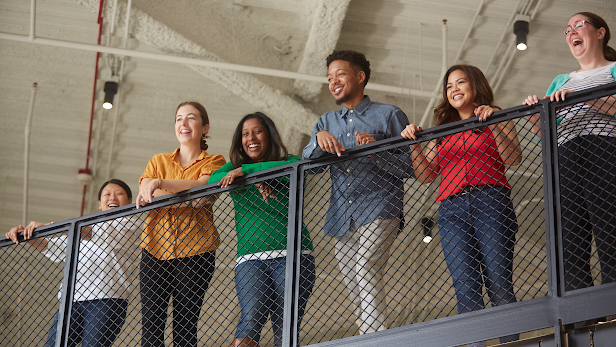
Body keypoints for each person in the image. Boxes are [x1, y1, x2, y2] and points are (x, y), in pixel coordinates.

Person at [402, 65, 522, 347]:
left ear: (475, 85)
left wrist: (492, 123)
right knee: (466, 289)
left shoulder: (497, 115)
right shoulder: (442, 129)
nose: (453, 89)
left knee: (499, 284)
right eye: (448, 86)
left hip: (491, 202)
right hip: (451, 211)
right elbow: (426, 175)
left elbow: (513, 158)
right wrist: (414, 146)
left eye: (460, 82)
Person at [302, 50, 412, 334]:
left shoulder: (389, 114)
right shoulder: (326, 121)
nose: (333, 81)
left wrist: (377, 151)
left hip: (380, 207)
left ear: (360, 77)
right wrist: (318, 139)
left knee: (365, 267)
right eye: (329, 77)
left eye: (340, 74)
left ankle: (373, 340)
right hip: (342, 215)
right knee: (355, 282)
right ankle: (370, 333)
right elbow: (309, 167)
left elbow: (411, 166)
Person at [523, 12, 616, 291]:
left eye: (578, 25)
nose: (571, 32)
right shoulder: (561, 80)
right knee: (570, 242)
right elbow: (548, 138)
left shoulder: (613, 70)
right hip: (566, 159)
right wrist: (535, 116)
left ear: (600, 33)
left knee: (609, 232)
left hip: (604, 152)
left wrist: (585, 99)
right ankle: (583, 321)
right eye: (567, 30)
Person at [209, 112, 315, 347]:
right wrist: (243, 171)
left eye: (257, 131)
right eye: (245, 134)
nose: (251, 138)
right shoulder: (233, 168)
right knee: (250, 319)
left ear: (269, 135)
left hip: (294, 256)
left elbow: (296, 166)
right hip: (250, 259)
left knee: (285, 328)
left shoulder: (288, 163)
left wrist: (249, 172)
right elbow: (211, 180)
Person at [136, 101, 226, 347]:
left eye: (191, 118)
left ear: (205, 128)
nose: (183, 124)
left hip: (197, 251)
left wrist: (160, 184)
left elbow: (205, 188)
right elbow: (148, 196)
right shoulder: (157, 160)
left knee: (185, 329)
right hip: (154, 250)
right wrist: (189, 200)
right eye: (178, 119)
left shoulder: (216, 161)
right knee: (151, 331)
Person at [6, 179, 138, 347]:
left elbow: (101, 234)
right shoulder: (82, 229)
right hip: (72, 300)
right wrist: (27, 235)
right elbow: (53, 248)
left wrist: (51, 226)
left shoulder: (129, 224)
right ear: (99, 204)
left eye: (119, 194)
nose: (112, 197)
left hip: (107, 299)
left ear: (129, 202)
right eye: (107, 194)